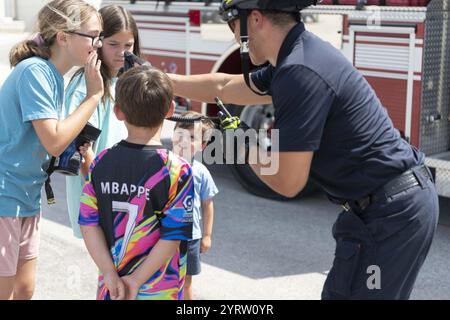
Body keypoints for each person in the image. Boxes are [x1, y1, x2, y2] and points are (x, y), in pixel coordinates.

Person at [167, 0, 439, 299]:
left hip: (390, 214)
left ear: (254, 19)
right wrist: (164, 81)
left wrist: (237, 142)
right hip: (384, 208)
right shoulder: (296, 57)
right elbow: (224, 86)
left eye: (233, 25)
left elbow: (288, 182)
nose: (234, 38)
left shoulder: (299, 70)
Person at [0, 0, 103, 300]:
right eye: (92, 36)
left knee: (24, 289)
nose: (97, 44)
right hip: (6, 194)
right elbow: (54, 139)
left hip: (26, 194)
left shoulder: (53, 76)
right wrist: (93, 97)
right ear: (63, 36)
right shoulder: (36, 72)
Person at [79, 65, 194, 300]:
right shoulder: (177, 170)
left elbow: (88, 224)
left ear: (118, 111)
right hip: (158, 290)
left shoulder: (101, 162)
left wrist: (110, 274)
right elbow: (174, 235)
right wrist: (137, 279)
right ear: (170, 110)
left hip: (113, 288)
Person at [65, 5, 141, 238]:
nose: (121, 53)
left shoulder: (126, 81)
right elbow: (83, 151)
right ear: (98, 42)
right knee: (111, 271)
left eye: (128, 45)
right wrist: (106, 194)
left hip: (124, 196)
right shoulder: (87, 85)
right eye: (113, 44)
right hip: (101, 198)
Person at [171, 111, 219, 300]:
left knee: (186, 281)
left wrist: (207, 235)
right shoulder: (162, 164)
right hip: (163, 233)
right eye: (180, 132)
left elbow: (208, 205)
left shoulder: (201, 172)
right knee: (161, 277)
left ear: (203, 144)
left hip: (191, 237)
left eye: (192, 137)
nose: (184, 139)